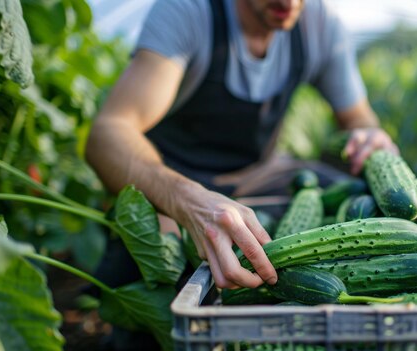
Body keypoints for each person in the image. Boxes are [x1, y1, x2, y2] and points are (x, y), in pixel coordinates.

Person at [85, 0, 398, 293]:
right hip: (173, 181)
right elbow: (108, 134)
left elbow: (359, 118)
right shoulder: (189, 11)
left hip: (259, 174)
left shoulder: (319, 23)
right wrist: (188, 202)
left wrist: (371, 136)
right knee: (166, 272)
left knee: (356, 194)